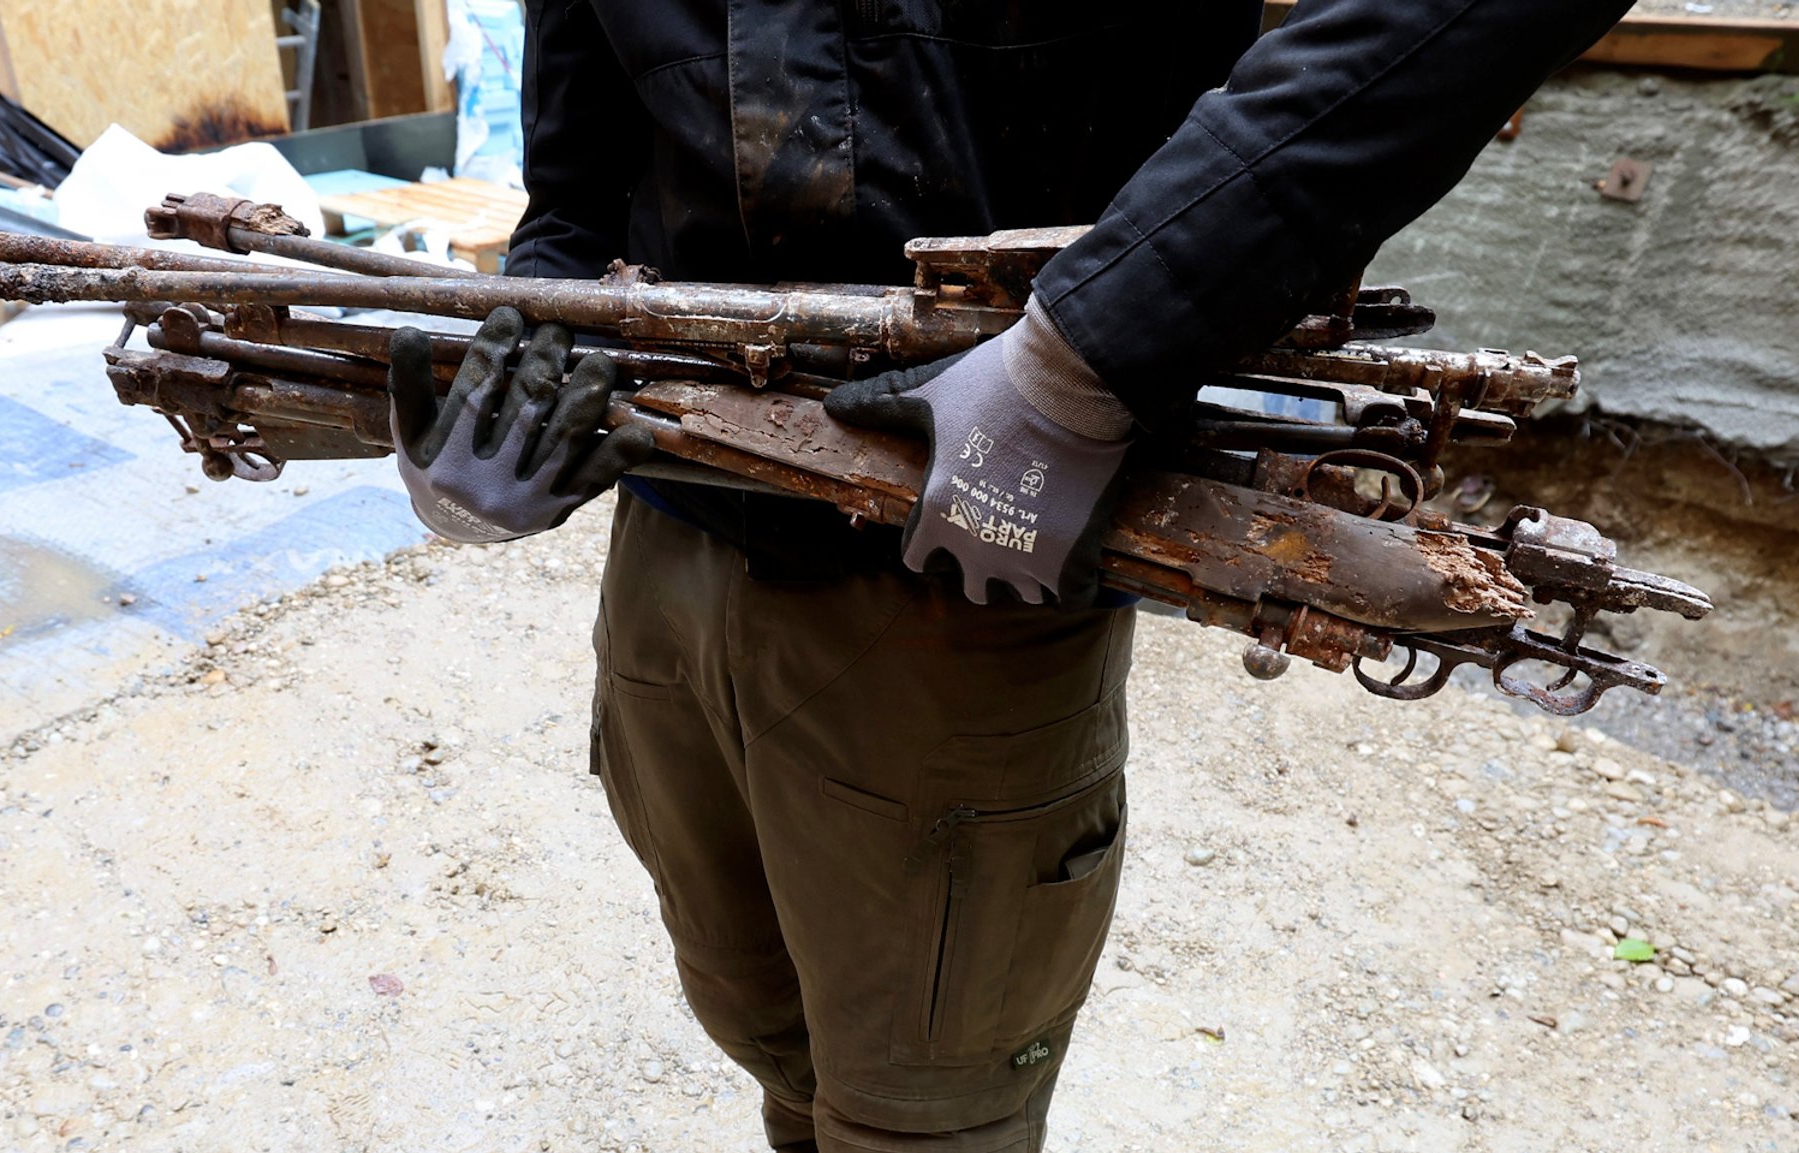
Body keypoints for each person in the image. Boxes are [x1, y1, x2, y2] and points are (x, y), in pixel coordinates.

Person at [385, 2, 1634, 1148]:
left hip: (964, 590)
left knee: (929, 1113)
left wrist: (1084, 357)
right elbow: (576, 184)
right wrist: (502, 393)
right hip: (665, 556)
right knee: (766, 1034)